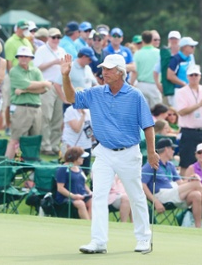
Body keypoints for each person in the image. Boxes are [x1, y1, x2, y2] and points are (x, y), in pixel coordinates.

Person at [62, 53, 159, 254]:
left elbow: (148, 126)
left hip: (128, 152)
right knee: (98, 195)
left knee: (135, 196)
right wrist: (65, 76)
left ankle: (143, 238)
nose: (103, 72)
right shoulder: (96, 93)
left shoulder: (135, 95)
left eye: (108, 69)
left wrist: (151, 152)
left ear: (120, 73)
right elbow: (72, 98)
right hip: (104, 152)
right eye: (103, 69)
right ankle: (98, 241)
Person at [142, 138, 202, 228]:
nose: (173, 151)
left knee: (196, 194)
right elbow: (143, 185)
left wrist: (190, 180)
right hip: (162, 195)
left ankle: (197, 228)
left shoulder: (170, 165)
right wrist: (155, 201)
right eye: (172, 149)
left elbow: (180, 183)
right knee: (200, 184)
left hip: (173, 191)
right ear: (166, 149)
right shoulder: (151, 164)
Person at [4, 46, 51, 159]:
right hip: (21, 107)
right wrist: (43, 83)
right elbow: (31, 85)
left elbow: (45, 89)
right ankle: (7, 166)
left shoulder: (36, 70)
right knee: (15, 139)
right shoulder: (14, 71)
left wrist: (25, 90)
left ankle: (31, 168)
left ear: (31, 58)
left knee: (34, 140)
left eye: (26, 56)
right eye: (21, 56)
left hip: (36, 107)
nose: (23, 58)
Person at [175, 64, 202, 177]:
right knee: (186, 161)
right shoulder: (181, 92)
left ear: (199, 76)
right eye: (191, 75)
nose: (194, 77)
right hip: (188, 131)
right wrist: (199, 104)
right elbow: (182, 111)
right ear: (188, 77)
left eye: (196, 75)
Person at [34, 27, 67, 155]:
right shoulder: (41, 50)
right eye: (54, 37)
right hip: (47, 85)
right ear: (48, 38)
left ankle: (54, 145)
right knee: (46, 116)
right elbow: (37, 68)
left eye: (58, 37)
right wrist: (54, 62)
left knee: (58, 117)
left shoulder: (62, 50)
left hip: (60, 85)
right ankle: (45, 145)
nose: (56, 40)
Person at [55, 146, 92, 220]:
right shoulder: (62, 169)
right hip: (67, 198)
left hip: (81, 195)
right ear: (75, 157)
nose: (83, 159)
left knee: (93, 202)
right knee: (80, 204)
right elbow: (60, 188)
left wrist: (90, 192)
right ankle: (87, 224)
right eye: (81, 157)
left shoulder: (79, 168)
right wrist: (73, 196)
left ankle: (91, 223)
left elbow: (83, 184)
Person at [130, 30, 161, 108]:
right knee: (157, 113)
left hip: (141, 85)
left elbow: (135, 72)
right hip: (155, 85)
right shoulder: (159, 53)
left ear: (142, 40)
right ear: (151, 40)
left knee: (142, 113)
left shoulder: (138, 54)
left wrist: (131, 84)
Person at [166, 36, 197, 106]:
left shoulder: (191, 57)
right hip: (177, 90)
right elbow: (170, 76)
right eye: (191, 46)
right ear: (184, 47)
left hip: (189, 89)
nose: (193, 48)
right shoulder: (175, 59)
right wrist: (184, 84)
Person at [62, 105, 93, 175]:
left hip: (86, 145)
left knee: (85, 172)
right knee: (69, 171)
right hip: (71, 146)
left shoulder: (89, 110)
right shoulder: (70, 110)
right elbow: (76, 129)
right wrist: (83, 116)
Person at [154, 30, 181, 106]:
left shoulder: (184, 53)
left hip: (181, 87)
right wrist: (158, 84)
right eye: (172, 39)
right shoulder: (165, 54)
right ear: (169, 40)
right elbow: (156, 70)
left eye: (176, 39)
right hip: (168, 87)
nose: (174, 41)